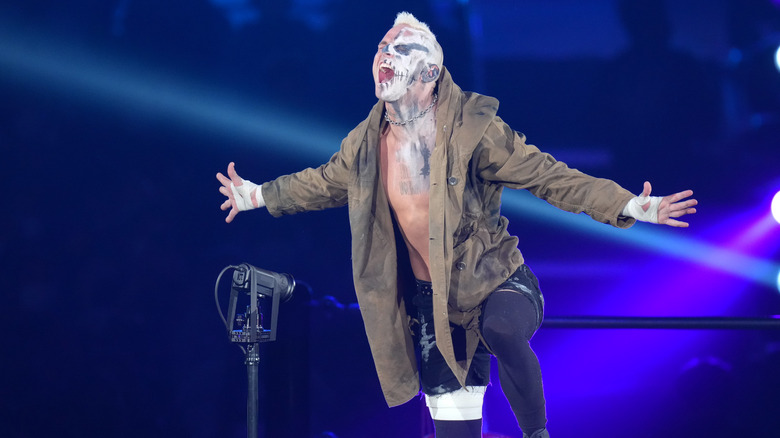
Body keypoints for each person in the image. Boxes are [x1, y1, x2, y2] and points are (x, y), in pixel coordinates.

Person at [216, 12, 697, 438]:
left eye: (399, 49)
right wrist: (256, 195)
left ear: (429, 71)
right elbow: (320, 183)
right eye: (382, 48)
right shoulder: (365, 144)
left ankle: (537, 433)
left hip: (494, 281)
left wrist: (630, 205)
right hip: (433, 306)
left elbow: (549, 176)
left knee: (503, 330)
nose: (385, 56)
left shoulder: (474, 130)